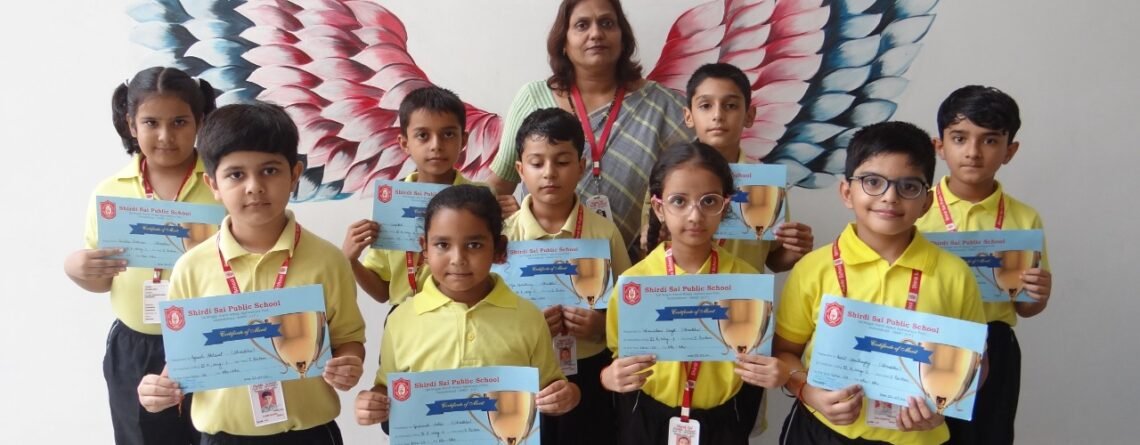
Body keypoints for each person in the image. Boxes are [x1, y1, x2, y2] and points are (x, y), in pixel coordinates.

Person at [136, 102, 367, 445]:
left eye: (270, 170)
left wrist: (349, 363)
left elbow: (348, 337)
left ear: (295, 175)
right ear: (212, 184)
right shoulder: (191, 267)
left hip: (308, 434)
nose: (254, 186)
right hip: (224, 435)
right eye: (236, 175)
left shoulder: (328, 261)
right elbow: (185, 358)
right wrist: (159, 388)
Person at [774, 121, 987, 445]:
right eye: (873, 182)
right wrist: (809, 392)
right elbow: (785, 353)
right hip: (823, 431)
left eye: (908, 186)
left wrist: (944, 405)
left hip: (918, 438)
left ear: (926, 202)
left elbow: (976, 365)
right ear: (847, 192)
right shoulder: (813, 268)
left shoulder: (955, 275)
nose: (890, 197)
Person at [64, 66, 216, 445]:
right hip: (136, 346)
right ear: (131, 125)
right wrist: (78, 269)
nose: (165, 135)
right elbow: (103, 280)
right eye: (151, 122)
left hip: (210, 338)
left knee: (215, 434)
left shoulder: (222, 184)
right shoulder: (111, 191)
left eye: (179, 122)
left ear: (199, 122)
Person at [353, 185, 581, 433]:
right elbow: (386, 387)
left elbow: (551, 385)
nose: (458, 259)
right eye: (442, 244)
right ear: (425, 249)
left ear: (499, 249)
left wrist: (567, 395)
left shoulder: (528, 317)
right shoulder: (401, 320)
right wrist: (370, 403)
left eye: (474, 245)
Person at [603, 142, 788, 444]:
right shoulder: (635, 283)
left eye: (709, 201)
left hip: (724, 419)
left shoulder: (746, 281)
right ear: (659, 208)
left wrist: (777, 373)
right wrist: (608, 377)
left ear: (725, 207)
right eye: (679, 201)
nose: (694, 216)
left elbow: (759, 356)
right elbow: (617, 354)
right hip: (647, 417)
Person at [486, 0, 693, 258]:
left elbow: (699, 180)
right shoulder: (532, 98)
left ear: (623, 37)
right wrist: (511, 218)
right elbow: (499, 184)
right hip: (538, 265)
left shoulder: (661, 106)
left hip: (640, 266)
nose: (596, 33)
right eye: (582, 25)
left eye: (607, 23)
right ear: (563, 41)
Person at [917, 85, 1052, 444]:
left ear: (1010, 151)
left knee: (987, 435)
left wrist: (1039, 294)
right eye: (960, 138)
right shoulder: (915, 208)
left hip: (995, 340)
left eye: (990, 140)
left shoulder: (1024, 218)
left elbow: (1025, 307)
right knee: (923, 432)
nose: (973, 152)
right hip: (926, 336)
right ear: (939, 146)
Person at [503, 108, 633, 444]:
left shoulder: (603, 233)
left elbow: (629, 310)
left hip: (590, 369)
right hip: (524, 373)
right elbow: (492, 316)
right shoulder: (504, 238)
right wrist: (527, 330)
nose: (549, 173)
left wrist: (601, 325)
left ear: (581, 166)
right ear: (520, 170)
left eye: (562, 161)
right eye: (537, 163)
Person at [343, 86, 518, 308]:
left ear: (463, 140)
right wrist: (350, 260)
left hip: (471, 316)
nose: (436, 146)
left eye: (448, 134)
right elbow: (383, 293)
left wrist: (518, 221)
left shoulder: (485, 197)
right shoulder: (392, 204)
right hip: (407, 319)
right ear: (404, 143)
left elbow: (505, 268)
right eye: (423, 136)